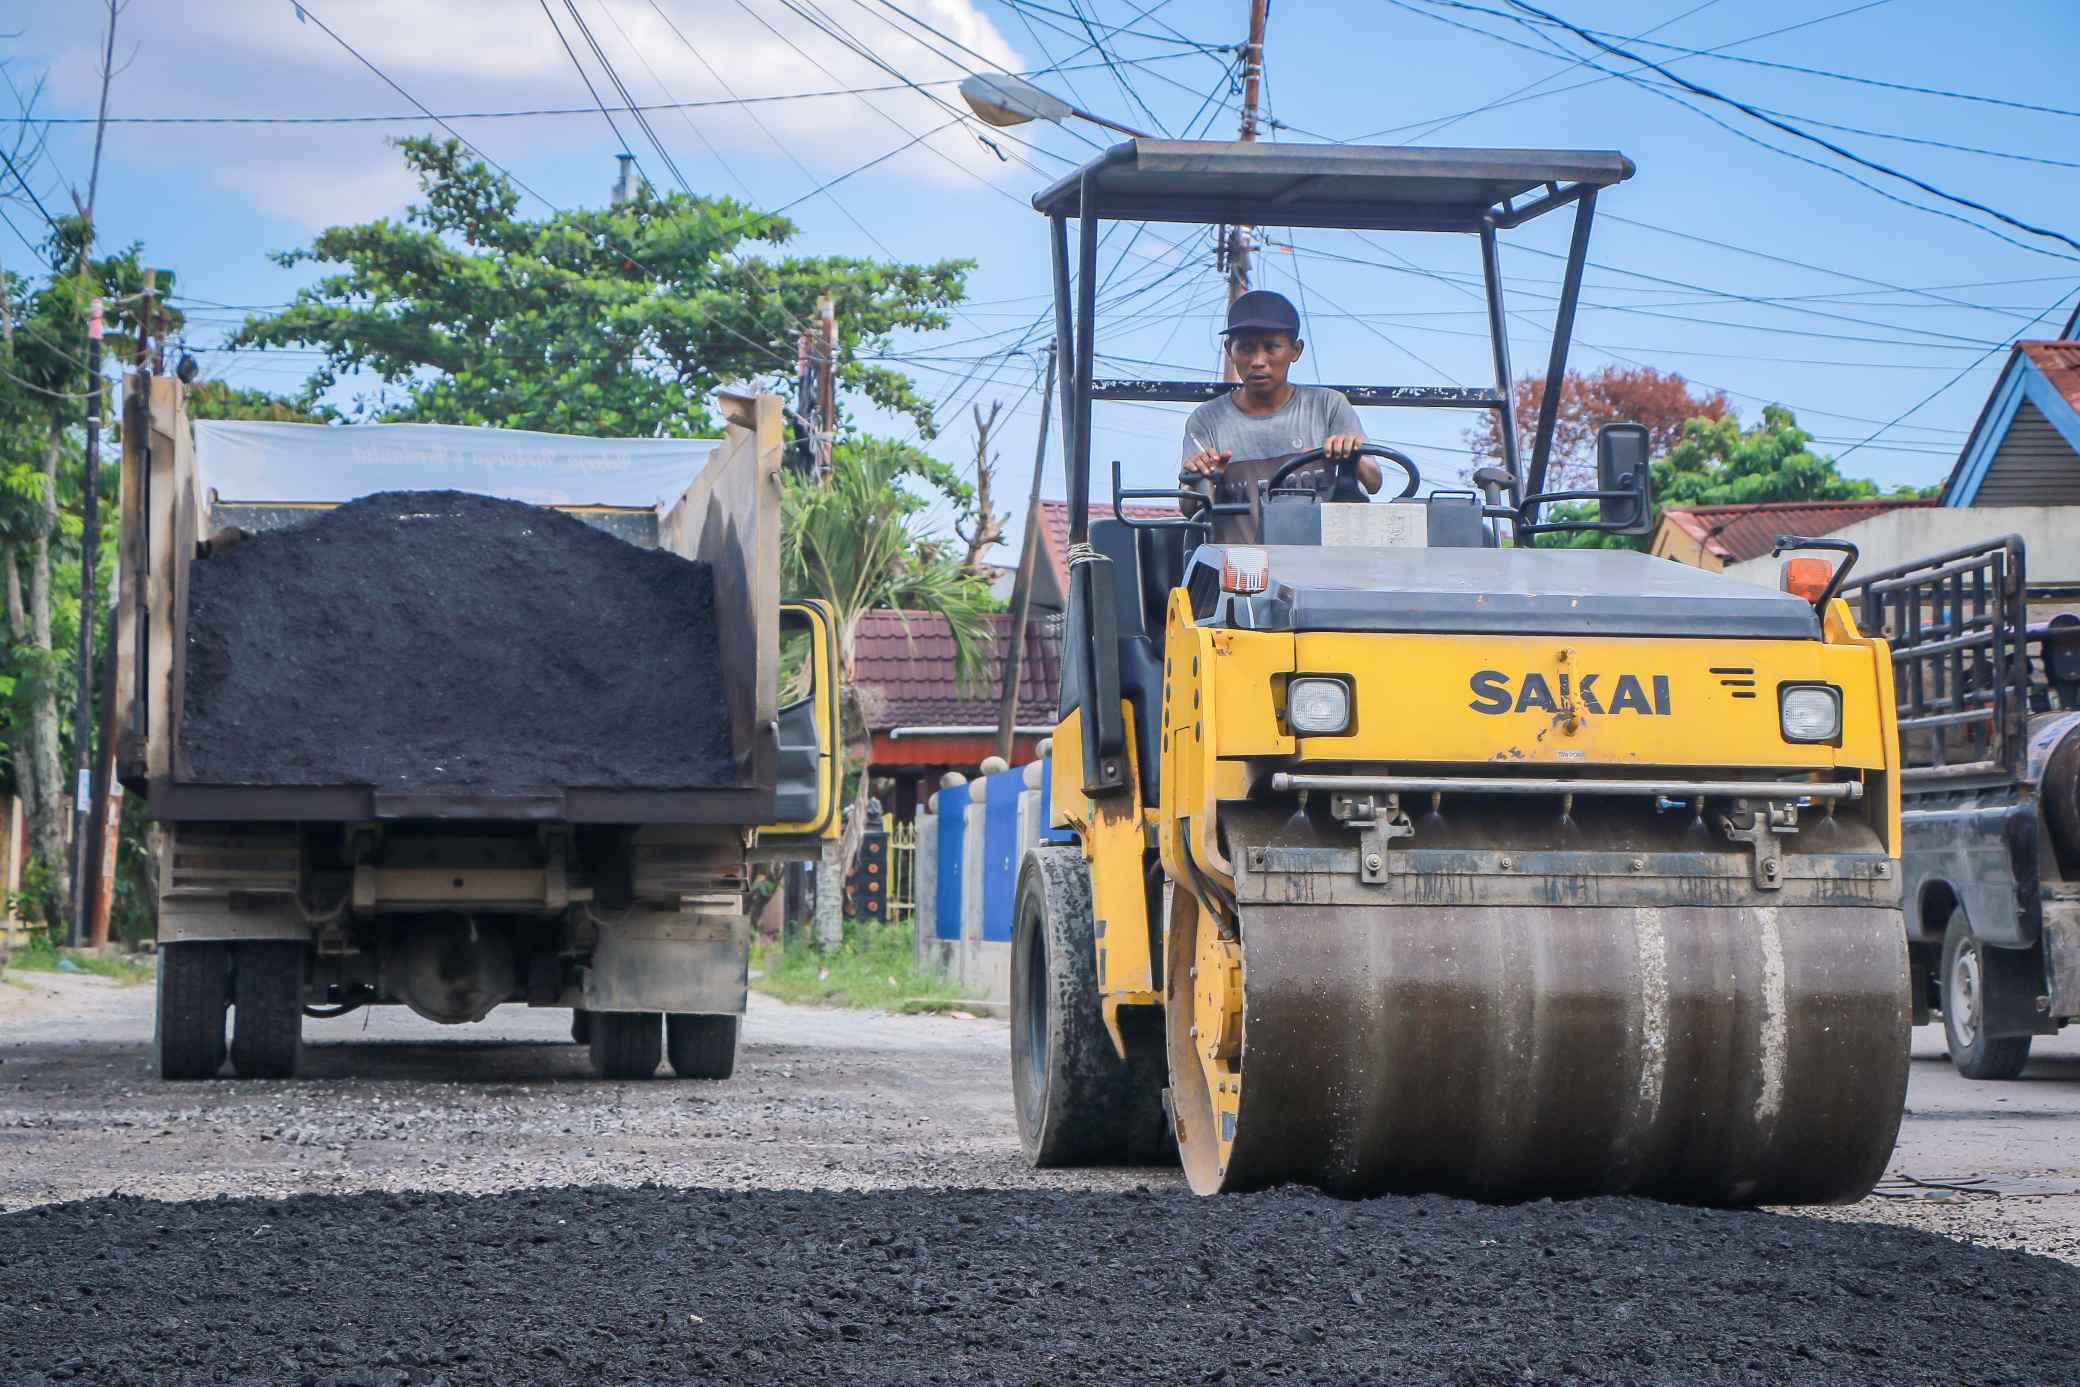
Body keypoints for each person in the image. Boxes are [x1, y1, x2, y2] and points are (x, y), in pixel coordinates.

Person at [1179, 289, 1379, 541]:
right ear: (1230, 350)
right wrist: (1204, 476)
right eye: (1246, 349)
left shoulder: (1328, 406)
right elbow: (1189, 510)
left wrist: (1350, 455)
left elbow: (1373, 482)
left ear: (1295, 350)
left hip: (1320, 569)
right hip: (1240, 573)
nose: (1258, 361)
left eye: (1271, 347)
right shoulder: (1207, 420)